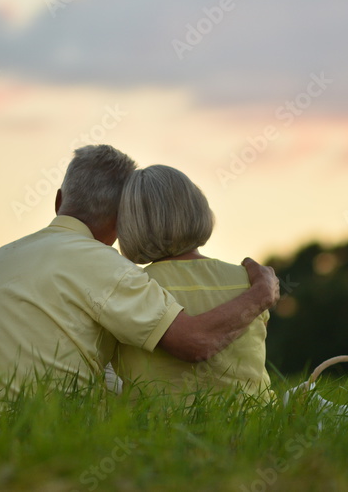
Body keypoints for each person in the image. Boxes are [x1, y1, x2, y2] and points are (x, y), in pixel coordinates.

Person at [0, 145, 279, 398]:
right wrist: (261, 294)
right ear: (122, 216)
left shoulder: (0, 257)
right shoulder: (105, 265)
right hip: (50, 426)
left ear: (59, 201)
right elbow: (195, 342)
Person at [113, 165, 273, 401]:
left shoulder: (131, 287)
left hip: (157, 429)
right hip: (256, 426)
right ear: (198, 209)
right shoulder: (250, 280)